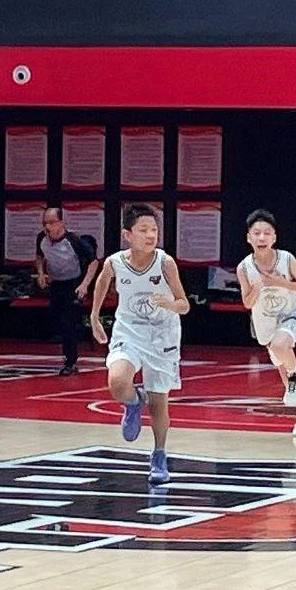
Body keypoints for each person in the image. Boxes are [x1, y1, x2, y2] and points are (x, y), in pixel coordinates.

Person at [89, 204, 190, 485]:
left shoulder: (165, 263)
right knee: (117, 381)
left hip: (162, 335)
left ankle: (159, 455)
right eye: (143, 230)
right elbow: (102, 282)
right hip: (130, 330)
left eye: (154, 230)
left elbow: (184, 304)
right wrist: (95, 316)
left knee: (159, 402)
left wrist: (169, 304)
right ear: (127, 234)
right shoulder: (115, 262)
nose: (150, 235)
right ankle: (134, 402)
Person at [236, 209, 296, 436]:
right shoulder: (244, 268)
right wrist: (259, 286)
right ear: (249, 237)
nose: (262, 237)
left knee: (281, 345)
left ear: (274, 237)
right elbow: (247, 302)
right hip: (266, 320)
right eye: (257, 233)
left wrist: (281, 282)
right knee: (289, 389)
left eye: (267, 233)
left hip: (293, 312)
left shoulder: (286, 258)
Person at [33, 207, 100, 376]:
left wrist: (85, 284)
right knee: (57, 320)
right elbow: (39, 256)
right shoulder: (41, 238)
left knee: (67, 322)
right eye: (45, 223)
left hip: (73, 284)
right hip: (56, 283)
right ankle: (70, 347)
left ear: (62, 223)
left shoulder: (73, 241)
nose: (47, 227)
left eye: (52, 222)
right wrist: (41, 273)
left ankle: (71, 362)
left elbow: (94, 262)